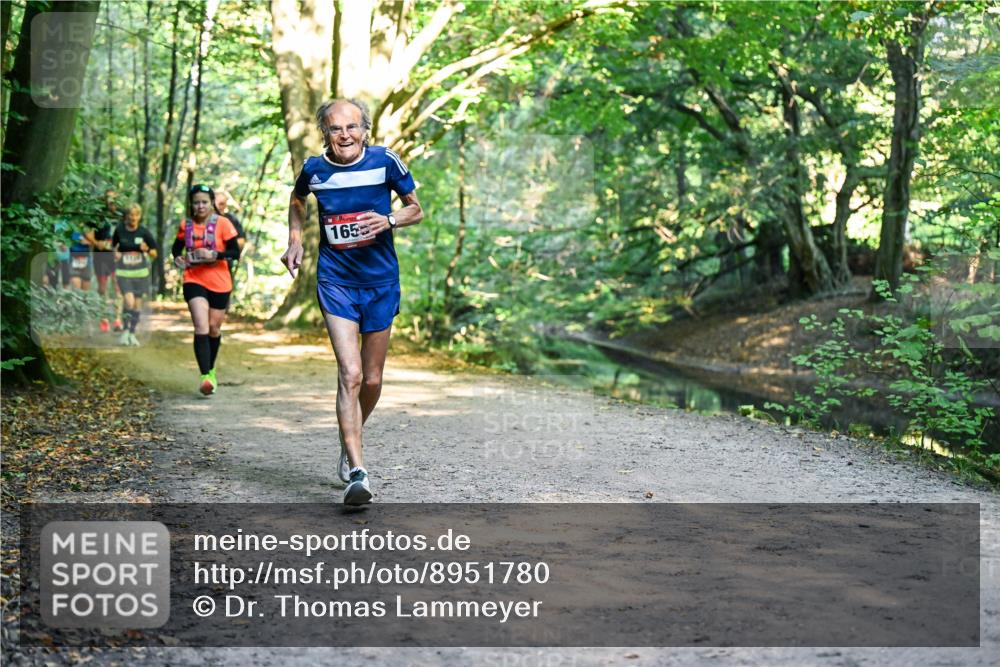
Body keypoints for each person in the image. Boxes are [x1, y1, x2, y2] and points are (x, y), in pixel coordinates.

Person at [281, 98, 422, 506]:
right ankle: (357, 472)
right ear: (324, 132)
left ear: (365, 130)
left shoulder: (386, 162)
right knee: (352, 374)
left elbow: (416, 209)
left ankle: (349, 435)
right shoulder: (314, 169)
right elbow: (297, 198)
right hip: (336, 280)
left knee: (373, 380)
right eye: (335, 128)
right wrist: (295, 239)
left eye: (352, 127)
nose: (345, 135)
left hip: (380, 281)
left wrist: (390, 219)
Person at [171, 184, 241, 396]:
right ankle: (205, 377)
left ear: (211, 203)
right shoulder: (187, 225)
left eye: (204, 202)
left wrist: (215, 255)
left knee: (213, 329)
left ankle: (211, 369)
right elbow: (176, 248)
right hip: (193, 279)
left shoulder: (224, 223)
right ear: (191, 205)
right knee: (201, 325)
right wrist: (178, 259)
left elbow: (234, 252)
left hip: (220, 281)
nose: (200, 206)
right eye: (196, 203)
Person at [112, 204, 158, 346]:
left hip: (140, 273)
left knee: (137, 305)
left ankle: (132, 333)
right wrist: (116, 254)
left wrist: (147, 250)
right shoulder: (119, 231)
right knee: (129, 302)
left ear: (139, 216)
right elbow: (113, 248)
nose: (133, 218)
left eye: (136, 215)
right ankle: (125, 331)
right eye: (131, 215)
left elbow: (154, 253)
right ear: (126, 216)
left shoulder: (144, 232)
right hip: (124, 273)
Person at [92, 189, 122, 332]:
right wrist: (96, 243)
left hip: (116, 257)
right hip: (101, 256)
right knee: (103, 289)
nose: (111, 202)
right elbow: (88, 233)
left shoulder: (121, 216)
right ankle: (103, 319)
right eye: (109, 199)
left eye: (114, 199)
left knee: (118, 288)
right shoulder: (97, 216)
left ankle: (117, 320)